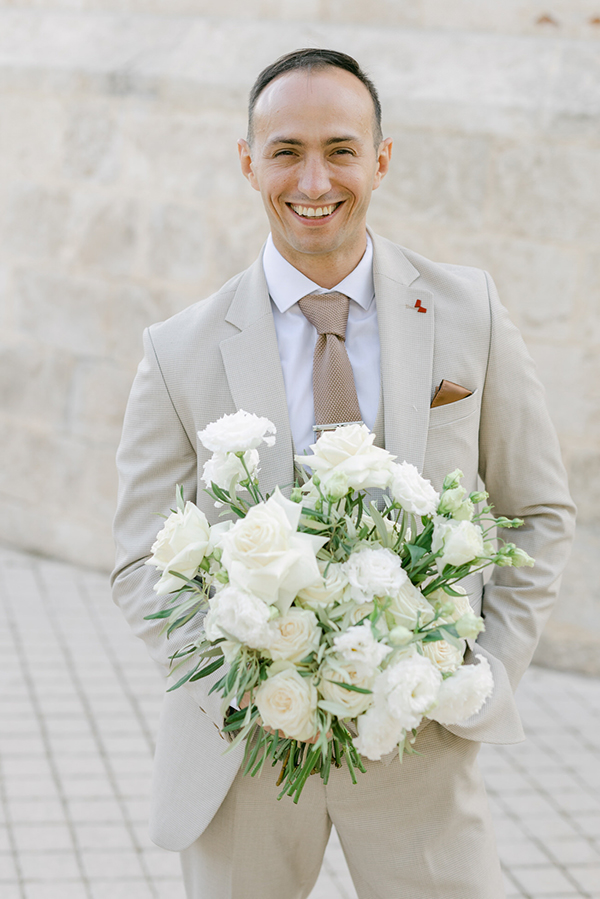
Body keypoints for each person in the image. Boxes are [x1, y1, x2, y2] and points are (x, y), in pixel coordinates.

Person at [111, 48, 576, 899]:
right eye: (286, 150)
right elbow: (139, 560)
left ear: (381, 159)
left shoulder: (468, 308)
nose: (314, 179)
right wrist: (243, 676)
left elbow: (539, 510)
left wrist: (481, 676)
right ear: (248, 160)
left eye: (341, 148)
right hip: (245, 753)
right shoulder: (176, 350)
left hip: (420, 744)